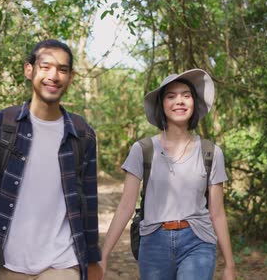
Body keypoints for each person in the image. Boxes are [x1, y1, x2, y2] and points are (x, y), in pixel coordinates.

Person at [0, 39, 102, 280]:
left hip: (63, 263)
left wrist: (94, 258)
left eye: (62, 69)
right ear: (29, 70)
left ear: (71, 77)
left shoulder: (82, 134)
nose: (54, 76)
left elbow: (88, 202)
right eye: (46, 67)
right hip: (4, 261)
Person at [99, 69, 236, 280]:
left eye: (186, 95)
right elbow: (126, 206)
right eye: (171, 96)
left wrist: (229, 265)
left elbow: (217, 212)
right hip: (154, 242)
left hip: (197, 240)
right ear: (162, 105)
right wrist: (104, 255)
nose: (179, 101)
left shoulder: (211, 152)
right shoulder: (143, 149)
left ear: (194, 103)